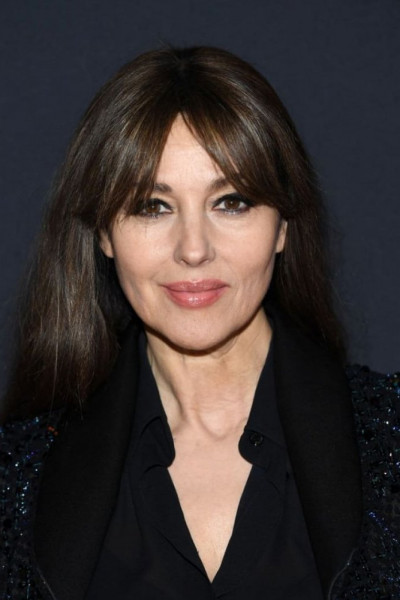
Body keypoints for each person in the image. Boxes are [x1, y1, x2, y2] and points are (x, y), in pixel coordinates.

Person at [0, 46, 399, 600]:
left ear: (283, 225)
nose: (193, 249)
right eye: (152, 205)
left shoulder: (388, 436)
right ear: (103, 234)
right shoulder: (18, 473)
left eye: (231, 202)